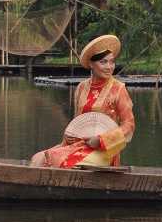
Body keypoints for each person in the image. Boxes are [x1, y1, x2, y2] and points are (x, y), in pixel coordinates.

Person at [32, 34, 135, 169]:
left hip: (104, 150)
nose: (109, 67)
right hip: (79, 145)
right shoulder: (82, 87)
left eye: (112, 62)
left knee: (57, 160)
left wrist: (101, 140)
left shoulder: (118, 89)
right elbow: (78, 122)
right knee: (38, 158)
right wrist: (69, 137)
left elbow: (129, 125)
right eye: (103, 62)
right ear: (91, 64)